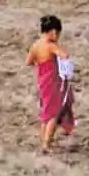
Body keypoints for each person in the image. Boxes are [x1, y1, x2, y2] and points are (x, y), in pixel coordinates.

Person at [26, 14, 76, 152]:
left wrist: (42, 63)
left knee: (46, 113)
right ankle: (46, 144)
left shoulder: (35, 45)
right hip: (54, 83)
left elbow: (28, 62)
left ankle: (44, 139)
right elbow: (64, 55)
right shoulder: (50, 46)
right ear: (53, 31)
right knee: (54, 114)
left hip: (43, 82)